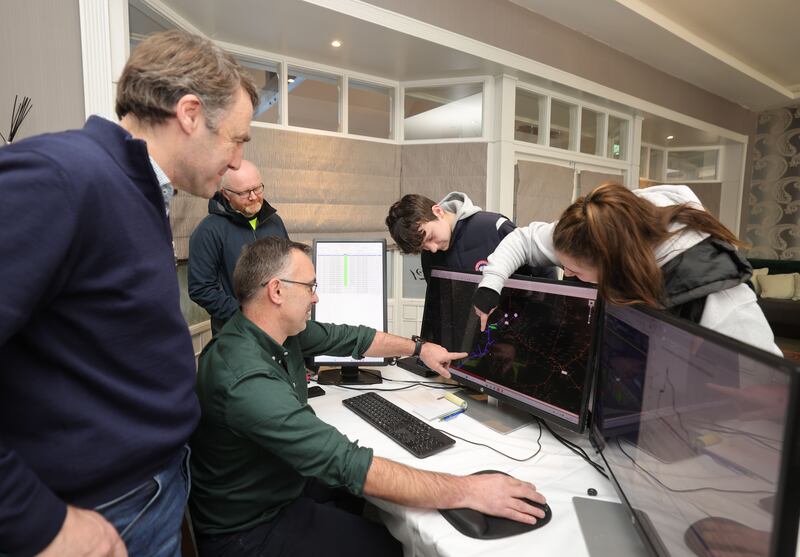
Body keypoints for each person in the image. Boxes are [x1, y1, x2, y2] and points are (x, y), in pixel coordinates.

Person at [0, 30, 258, 557]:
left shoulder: (140, 190)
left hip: (149, 494)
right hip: (96, 514)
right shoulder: (62, 177)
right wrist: (38, 521)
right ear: (189, 113)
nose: (236, 163)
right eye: (236, 139)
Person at [189, 236, 547, 556]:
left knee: (365, 501)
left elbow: (351, 338)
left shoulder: (269, 331)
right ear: (277, 291)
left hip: (276, 484)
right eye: (310, 286)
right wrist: (466, 491)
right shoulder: (245, 378)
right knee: (393, 547)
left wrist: (419, 348)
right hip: (248, 530)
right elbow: (346, 462)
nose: (316, 296)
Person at [473, 182, 781, 356]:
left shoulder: (721, 299)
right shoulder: (587, 230)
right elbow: (524, 240)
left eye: (576, 273)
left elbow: (770, 392)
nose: (566, 275)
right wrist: (491, 285)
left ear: (615, 265)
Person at [189, 159, 288, 334]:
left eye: (257, 188)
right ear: (226, 194)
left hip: (279, 328)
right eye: (244, 192)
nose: (253, 196)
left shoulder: (275, 222)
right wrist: (246, 315)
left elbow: (289, 267)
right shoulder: (208, 230)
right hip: (236, 333)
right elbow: (201, 289)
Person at [386, 191, 549, 281]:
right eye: (423, 248)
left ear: (438, 211)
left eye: (430, 237)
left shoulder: (493, 227)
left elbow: (544, 270)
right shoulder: (429, 256)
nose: (433, 249)